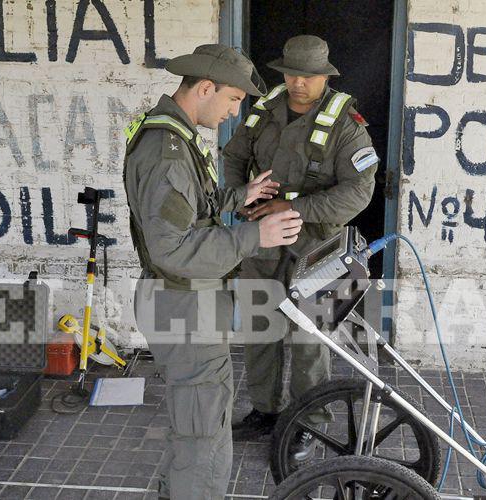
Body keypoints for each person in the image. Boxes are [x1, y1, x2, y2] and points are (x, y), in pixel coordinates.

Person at [123, 44, 303, 500]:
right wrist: (254, 237)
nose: (231, 114)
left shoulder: (174, 136)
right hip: (183, 305)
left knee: (196, 429)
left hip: (186, 302)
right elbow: (173, 248)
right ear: (206, 87)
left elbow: (187, 212)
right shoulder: (166, 152)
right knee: (204, 439)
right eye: (232, 101)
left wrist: (238, 197)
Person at [222, 35, 379, 459]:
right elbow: (233, 156)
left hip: (317, 247)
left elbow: (359, 192)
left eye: (307, 76)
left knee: (310, 340)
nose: (297, 83)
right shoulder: (265, 109)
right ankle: (265, 412)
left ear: (323, 76)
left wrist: (293, 206)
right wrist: (243, 195)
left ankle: (310, 423)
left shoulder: (347, 125)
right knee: (260, 328)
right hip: (261, 241)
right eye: (290, 73)